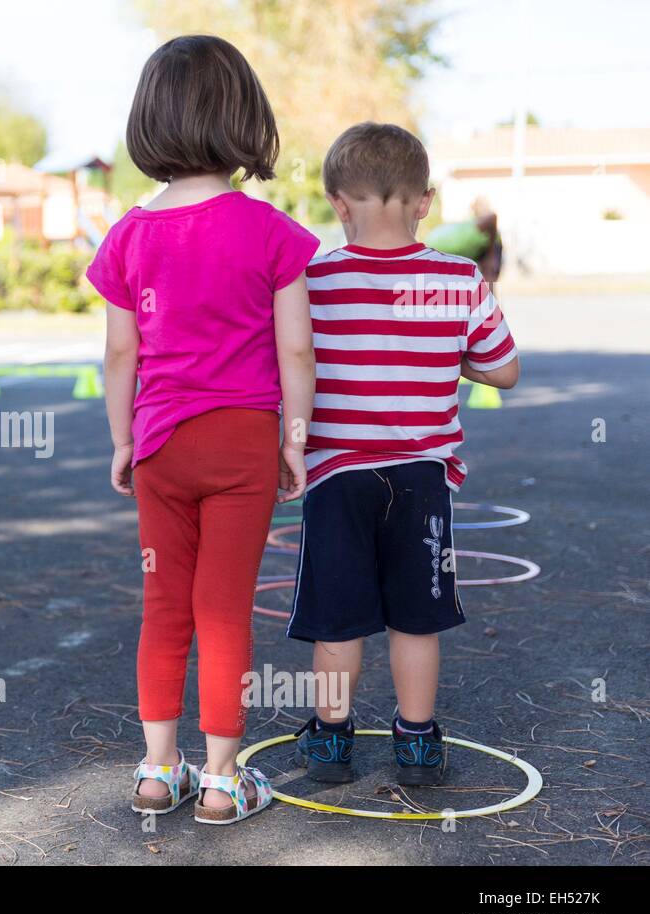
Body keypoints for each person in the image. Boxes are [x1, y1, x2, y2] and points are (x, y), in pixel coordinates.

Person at [85, 34, 318, 824]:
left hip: (159, 447)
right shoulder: (271, 232)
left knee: (164, 608)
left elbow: (121, 350)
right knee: (223, 608)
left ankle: (157, 770)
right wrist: (294, 438)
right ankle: (222, 778)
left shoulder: (128, 235)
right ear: (242, 119)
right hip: (243, 444)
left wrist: (123, 440)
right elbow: (295, 346)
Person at [289, 122, 521, 785]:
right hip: (423, 477)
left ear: (337, 200)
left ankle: (332, 740)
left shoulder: (311, 278)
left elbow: (291, 358)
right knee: (417, 619)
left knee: (337, 620)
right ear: (425, 200)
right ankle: (416, 742)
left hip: (336, 475)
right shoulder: (457, 278)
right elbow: (504, 370)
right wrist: (450, 360)